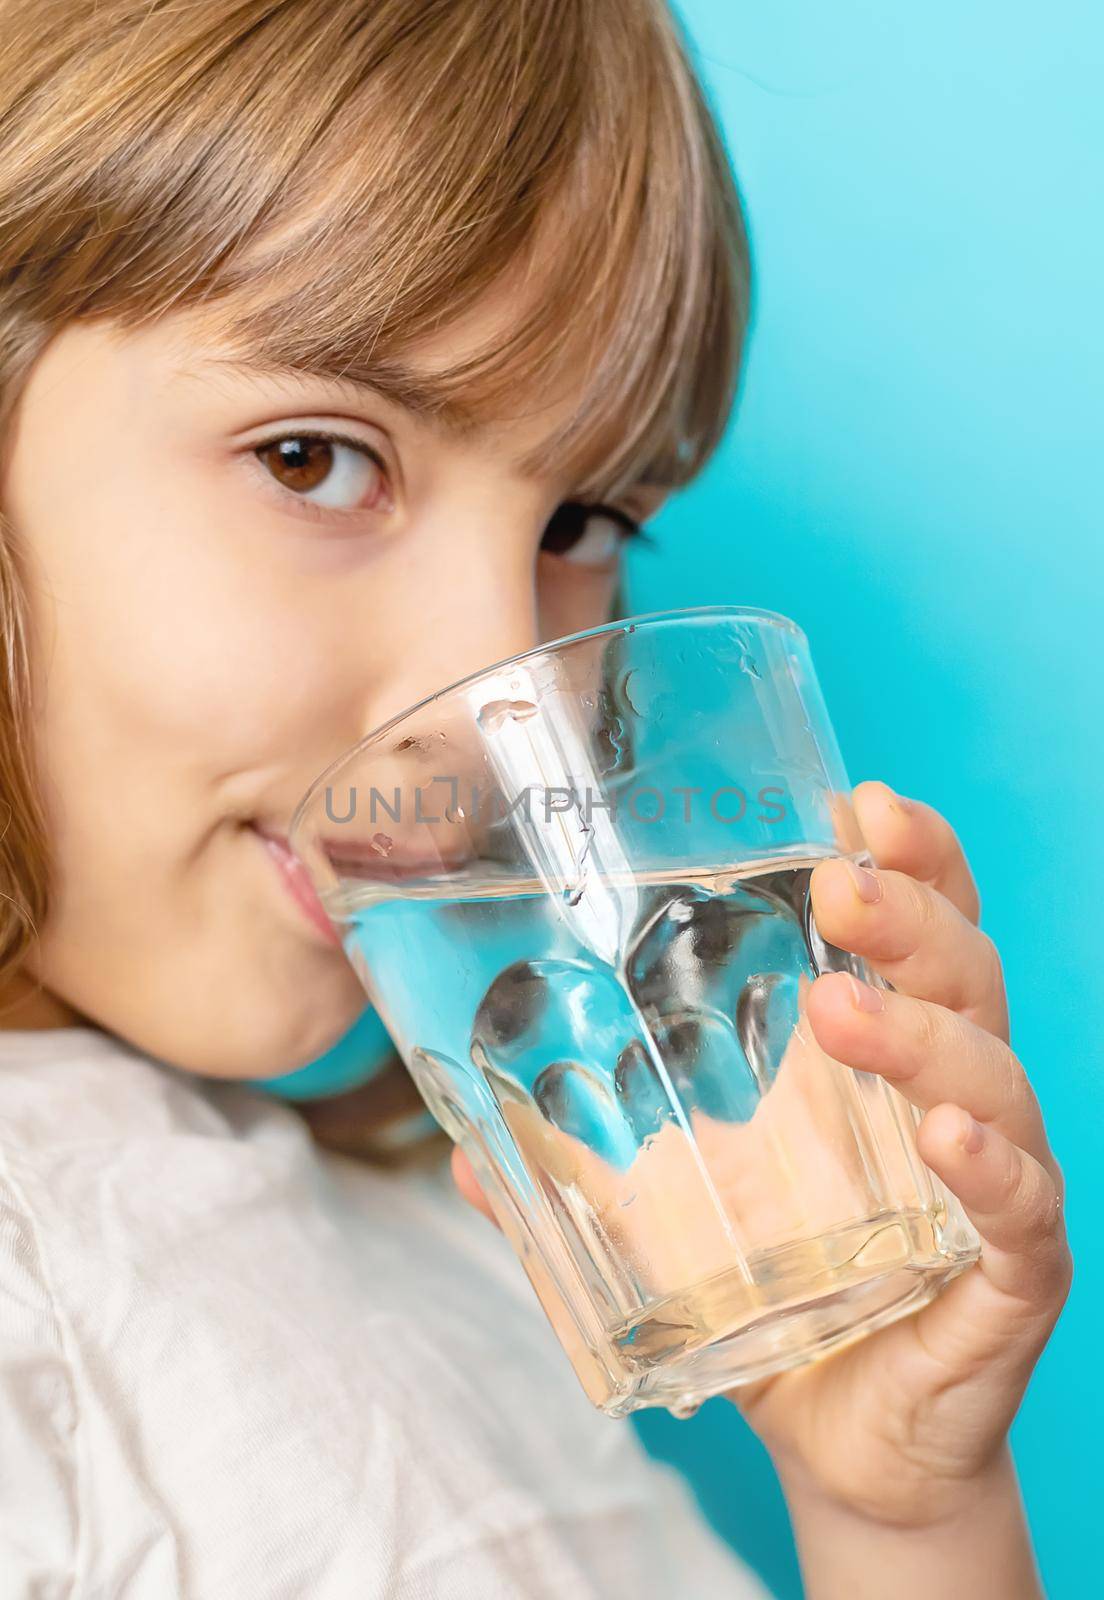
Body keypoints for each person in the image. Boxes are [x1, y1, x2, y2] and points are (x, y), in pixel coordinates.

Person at [0, 2, 1071, 1596]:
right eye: (313, 460)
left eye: (583, 516)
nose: (503, 707)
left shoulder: (450, 1255)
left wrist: (902, 1511)